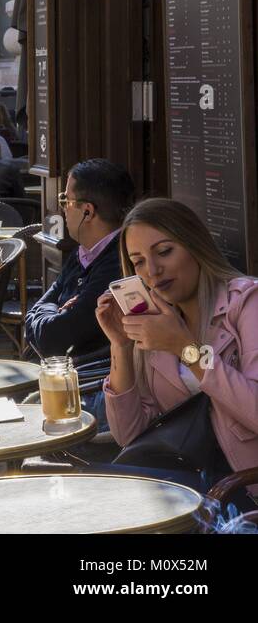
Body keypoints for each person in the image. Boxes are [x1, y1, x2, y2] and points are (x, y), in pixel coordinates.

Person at [95, 197, 258, 499]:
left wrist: (185, 349)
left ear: (195, 246)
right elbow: (129, 436)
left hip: (241, 489)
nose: (153, 271)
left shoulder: (246, 302)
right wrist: (121, 346)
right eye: (139, 262)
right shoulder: (155, 323)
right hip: (182, 483)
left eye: (165, 252)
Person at [25, 159, 134, 360]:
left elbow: (54, 339)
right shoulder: (82, 253)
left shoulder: (119, 262)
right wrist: (53, 311)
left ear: (88, 211)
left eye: (66, 201)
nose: (63, 209)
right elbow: (34, 315)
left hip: (87, 380)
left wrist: (51, 313)